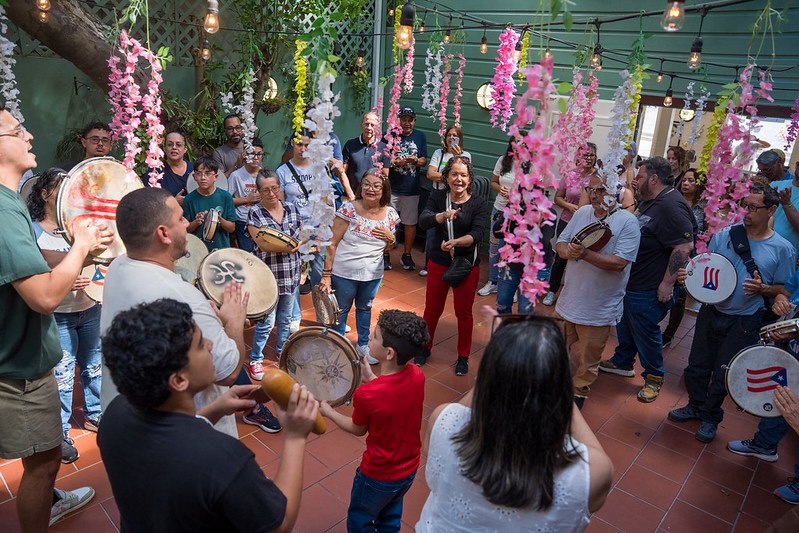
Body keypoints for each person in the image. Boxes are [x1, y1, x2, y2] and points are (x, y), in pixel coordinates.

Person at [99, 298, 319, 532]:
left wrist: (215, 409)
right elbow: (279, 524)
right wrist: (295, 437)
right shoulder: (219, 458)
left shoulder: (114, 415)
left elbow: (166, 446)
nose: (211, 345)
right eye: (200, 344)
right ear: (179, 380)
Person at [0, 103, 111, 531]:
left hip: (17, 358)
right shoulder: (6, 209)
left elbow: (31, 259)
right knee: (44, 462)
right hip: (19, 367)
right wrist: (81, 246)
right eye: (17, 131)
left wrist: (81, 247)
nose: (29, 137)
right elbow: (44, 297)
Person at [416, 316, 614, 532]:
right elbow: (596, 497)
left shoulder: (443, 420)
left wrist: (499, 366)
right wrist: (560, 389)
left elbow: (429, 450)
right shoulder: (591, 471)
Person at [100, 187, 249, 438]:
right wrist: (233, 322)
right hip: (184, 436)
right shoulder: (182, 297)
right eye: (180, 218)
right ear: (164, 234)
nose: (186, 224)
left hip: (129, 420)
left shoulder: (118, 266)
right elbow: (228, 372)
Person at [668, 183, 795, 443]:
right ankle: (695, 405)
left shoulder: (782, 249)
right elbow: (706, 270)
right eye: (743, 205)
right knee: (697, 365)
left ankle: (711, 417)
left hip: (746, 319)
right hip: (711, 311)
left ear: (771, 209)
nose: (745, 212)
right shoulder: (724, 235)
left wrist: (765, 288)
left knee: (725, 371)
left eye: (753, 207)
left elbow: (785, 290)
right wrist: (687, 275)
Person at [319, 309, 428, 533]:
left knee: (360, 520)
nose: (370, 335)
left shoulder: (368, 395)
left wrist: (328, 412)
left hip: (377, 474)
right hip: (409, 469)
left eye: (375, 335)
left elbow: (357, 428)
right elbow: (393, 396)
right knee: (390, 517)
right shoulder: (417, 375)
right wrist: (372, 378)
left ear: (389, 353)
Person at [599, 156, 696, 403]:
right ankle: (623, 360)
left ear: (653, 179)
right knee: (626, 323)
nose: (636, 180)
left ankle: (654, 377)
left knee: (645, 331)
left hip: (650, 286)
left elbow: (683, 247)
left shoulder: (671, 206)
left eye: (640, 176)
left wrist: (667, 283)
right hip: (633, 281)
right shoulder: (652, 201)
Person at [26, 168, 104, 464]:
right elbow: (40, 265)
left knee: (94, 366)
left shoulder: (79, 226)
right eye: (61, 187)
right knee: (62, 375)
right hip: (59, 314)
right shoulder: (33, 230)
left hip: (88, 307)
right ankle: (60, 432)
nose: (70, 193)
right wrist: (67, 274)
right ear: (44, 194)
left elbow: (99, 260)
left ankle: (95, 415)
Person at [555, 174, 641, 408]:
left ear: (615, 191)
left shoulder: (628, 222)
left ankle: (578, 394)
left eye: (601, 190)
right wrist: (567, 251)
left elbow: (619, 263)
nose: (594, 195)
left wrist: (585, 254)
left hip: (599, 306)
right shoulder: (582, 213)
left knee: (588, 358)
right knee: (555, 346)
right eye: (591, 189)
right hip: (569, 298)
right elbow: (560, 243)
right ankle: (553, 383)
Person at [726, 267, 799, 504]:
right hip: (792, 349)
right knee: (781, 398)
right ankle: (764, 445)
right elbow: (785, 293)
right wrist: (780, 304)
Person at [318, 170, 399, 364]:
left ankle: (364, 345)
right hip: (344, 272)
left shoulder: (391, 214)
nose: (370, 189)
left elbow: (388, 246)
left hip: (372, 274)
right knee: (341, 309)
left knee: (365, 308)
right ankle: (338, 344)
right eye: (366, 184)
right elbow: (332, 243)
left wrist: (392, 239)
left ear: (384, 189)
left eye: (376, 185)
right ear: (361, 186)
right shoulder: (348, 209)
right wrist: (326, 275)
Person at [417, 156, 487, 375]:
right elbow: (424, 220)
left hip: (466, 264)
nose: (459, 179)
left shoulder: (479, 203)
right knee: (432, 309)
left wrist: (456, 242)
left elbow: (477, 234)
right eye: (454, 174)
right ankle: (424, 347)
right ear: (446, 177)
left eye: (463, 175)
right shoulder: (438, 197)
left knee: (463, 313)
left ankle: (463, 356)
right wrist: (442, 216)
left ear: (470, 179)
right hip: (439, 261)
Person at [247, 171, 302, 377]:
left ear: (280, 187)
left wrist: (298, 245)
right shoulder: (255, 213)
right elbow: (262, 243)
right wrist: (289, 247)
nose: (271, 193)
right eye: (265, 190)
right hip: (267, 277)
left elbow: (301, 234)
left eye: (274, 188)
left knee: (285, 318)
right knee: (266, 322)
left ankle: (282, 352)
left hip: (290, 272)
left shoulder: (291, 207)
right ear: (259, 191)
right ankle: (256, 358)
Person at [542, 142, 598, 306]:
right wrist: (569, 206)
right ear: (577, 156)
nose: (588, 157)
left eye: (591, 155)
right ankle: (552, 291)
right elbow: (557, 197)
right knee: (561, 257)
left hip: (588, 226)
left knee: (582, 259)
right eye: (584, 154)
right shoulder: (570, 175)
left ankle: (575, 295)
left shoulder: (598, 178)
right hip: (567, 222)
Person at [662, 168, 706, 347]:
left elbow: (706, 234)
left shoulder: (704, 207)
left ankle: (669, 334)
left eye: (691, 181)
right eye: (685, 180)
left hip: (691, 255)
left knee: (680, 297)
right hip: (668, 251)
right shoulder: (674, 200)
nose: (686, 184)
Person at [382, 106, 428, 271]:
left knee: (410, 224)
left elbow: (424, 159)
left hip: (411, 188)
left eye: (410, 120)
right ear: (399, 120)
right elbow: (383, 157)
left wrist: (413, 161)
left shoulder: (420, 136)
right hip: (392, 187)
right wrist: (397, 162)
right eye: (404, 119)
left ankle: (406, 255)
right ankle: (386, 254)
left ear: (414, 121)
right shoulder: (391, 135)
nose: (407, 123)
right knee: (389, 223)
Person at [424, 125, 471, 277]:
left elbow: (464, 176)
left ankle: (453, 264)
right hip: (437, 193)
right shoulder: (439, 153)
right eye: (449, 135)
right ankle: (429, 264)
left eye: (455, 135)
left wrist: (456, 161)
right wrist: (449, 176)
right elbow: (430, 174)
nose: (451, 138)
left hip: (456, 197)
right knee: (433, 230)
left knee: (452, 229)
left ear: (460, 139)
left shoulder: (466, 155)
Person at [183, 156, 237, 252]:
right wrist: (196, 222)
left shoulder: (225, 196)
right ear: (194, 177)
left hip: (221, 249)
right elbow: (186, 229)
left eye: (208, 174)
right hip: (198, 250)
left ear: (215, 177)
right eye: (199, 174)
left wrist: (218, 219)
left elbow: (232, 228)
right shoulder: (189, 199)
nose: (203, 178)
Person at [228, 137, 266, 253]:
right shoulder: (236, 175)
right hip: (243, 220)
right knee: (247, 254)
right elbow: (228, 200)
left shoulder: (264, 174)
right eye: (252, 154)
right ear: (245, 155)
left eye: (259, 154)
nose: (255, 158)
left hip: (262, 219)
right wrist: (247, 199)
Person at [762, 148, 799, 254]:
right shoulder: (775, 185)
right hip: (760, 247)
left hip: (784, 255)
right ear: (797, 165)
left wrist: (787, 204)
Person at [342, 111, 389, 193]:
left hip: (372, 196)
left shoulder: (384, 148)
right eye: (366, 124)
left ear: (377, 127)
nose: (369, 128)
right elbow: (342, 171)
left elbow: (385, 176)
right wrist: (349, 193)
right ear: (361, 125)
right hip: (351, 195)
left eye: (372, 125)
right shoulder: (350, 145)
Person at [147, 130, 193, 206]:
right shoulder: (155, 172)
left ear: (185, 149)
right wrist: (174, 202)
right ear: (164, 148)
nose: (174, 147)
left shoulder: (195, 169)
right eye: (170, 144)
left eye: (178, 145)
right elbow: (148, 202)